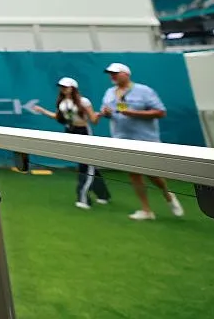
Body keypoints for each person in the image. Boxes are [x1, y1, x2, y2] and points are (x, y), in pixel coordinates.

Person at [99, 63, 184, 221]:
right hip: (122, 138)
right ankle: (146, 210)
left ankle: (167, 194)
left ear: (126, 74)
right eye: (110, 73)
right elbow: (109, 111)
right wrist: (106, 112)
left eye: (115, 73)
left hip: (145, 139)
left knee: (152, 173)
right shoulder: (109, 93)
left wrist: (133, 113)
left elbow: (160, 112)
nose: (112, 76)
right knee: (134, 174)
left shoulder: (144, 91)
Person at [32, 77, 111, 209]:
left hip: (83, 132)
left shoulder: (84, 101)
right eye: (61, 87)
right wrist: (42, 111)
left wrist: (101, 114)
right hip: (70, 132)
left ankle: (82, 199)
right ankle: (103, 195)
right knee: (87, 165)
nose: (63, 89)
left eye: (66, 86)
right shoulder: (62, 102)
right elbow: (58, 117)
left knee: (86, 166)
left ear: (73, 88)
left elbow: (93, 120)